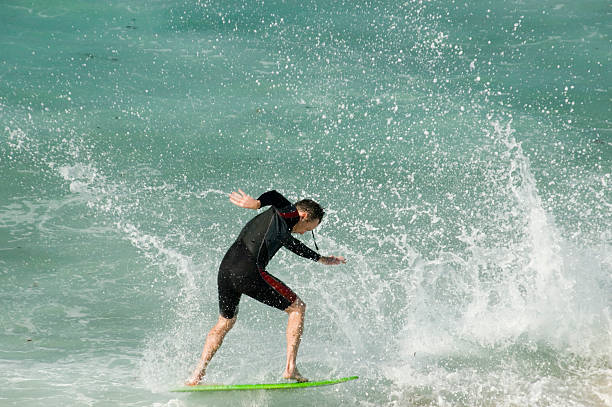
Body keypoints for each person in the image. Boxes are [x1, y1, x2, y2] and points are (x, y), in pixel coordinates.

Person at [186, 189, 346, 385]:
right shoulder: (289, 213)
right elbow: (275, 195)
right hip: (248, 269)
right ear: (303, 216)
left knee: (224, 323)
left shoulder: (280, 224)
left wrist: (320, 258)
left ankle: (196, 375)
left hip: (226, 270)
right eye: (308, 228)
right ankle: (290, 368)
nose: (305, 232)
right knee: (297, 308)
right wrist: (257, 203)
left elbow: (293, 245)